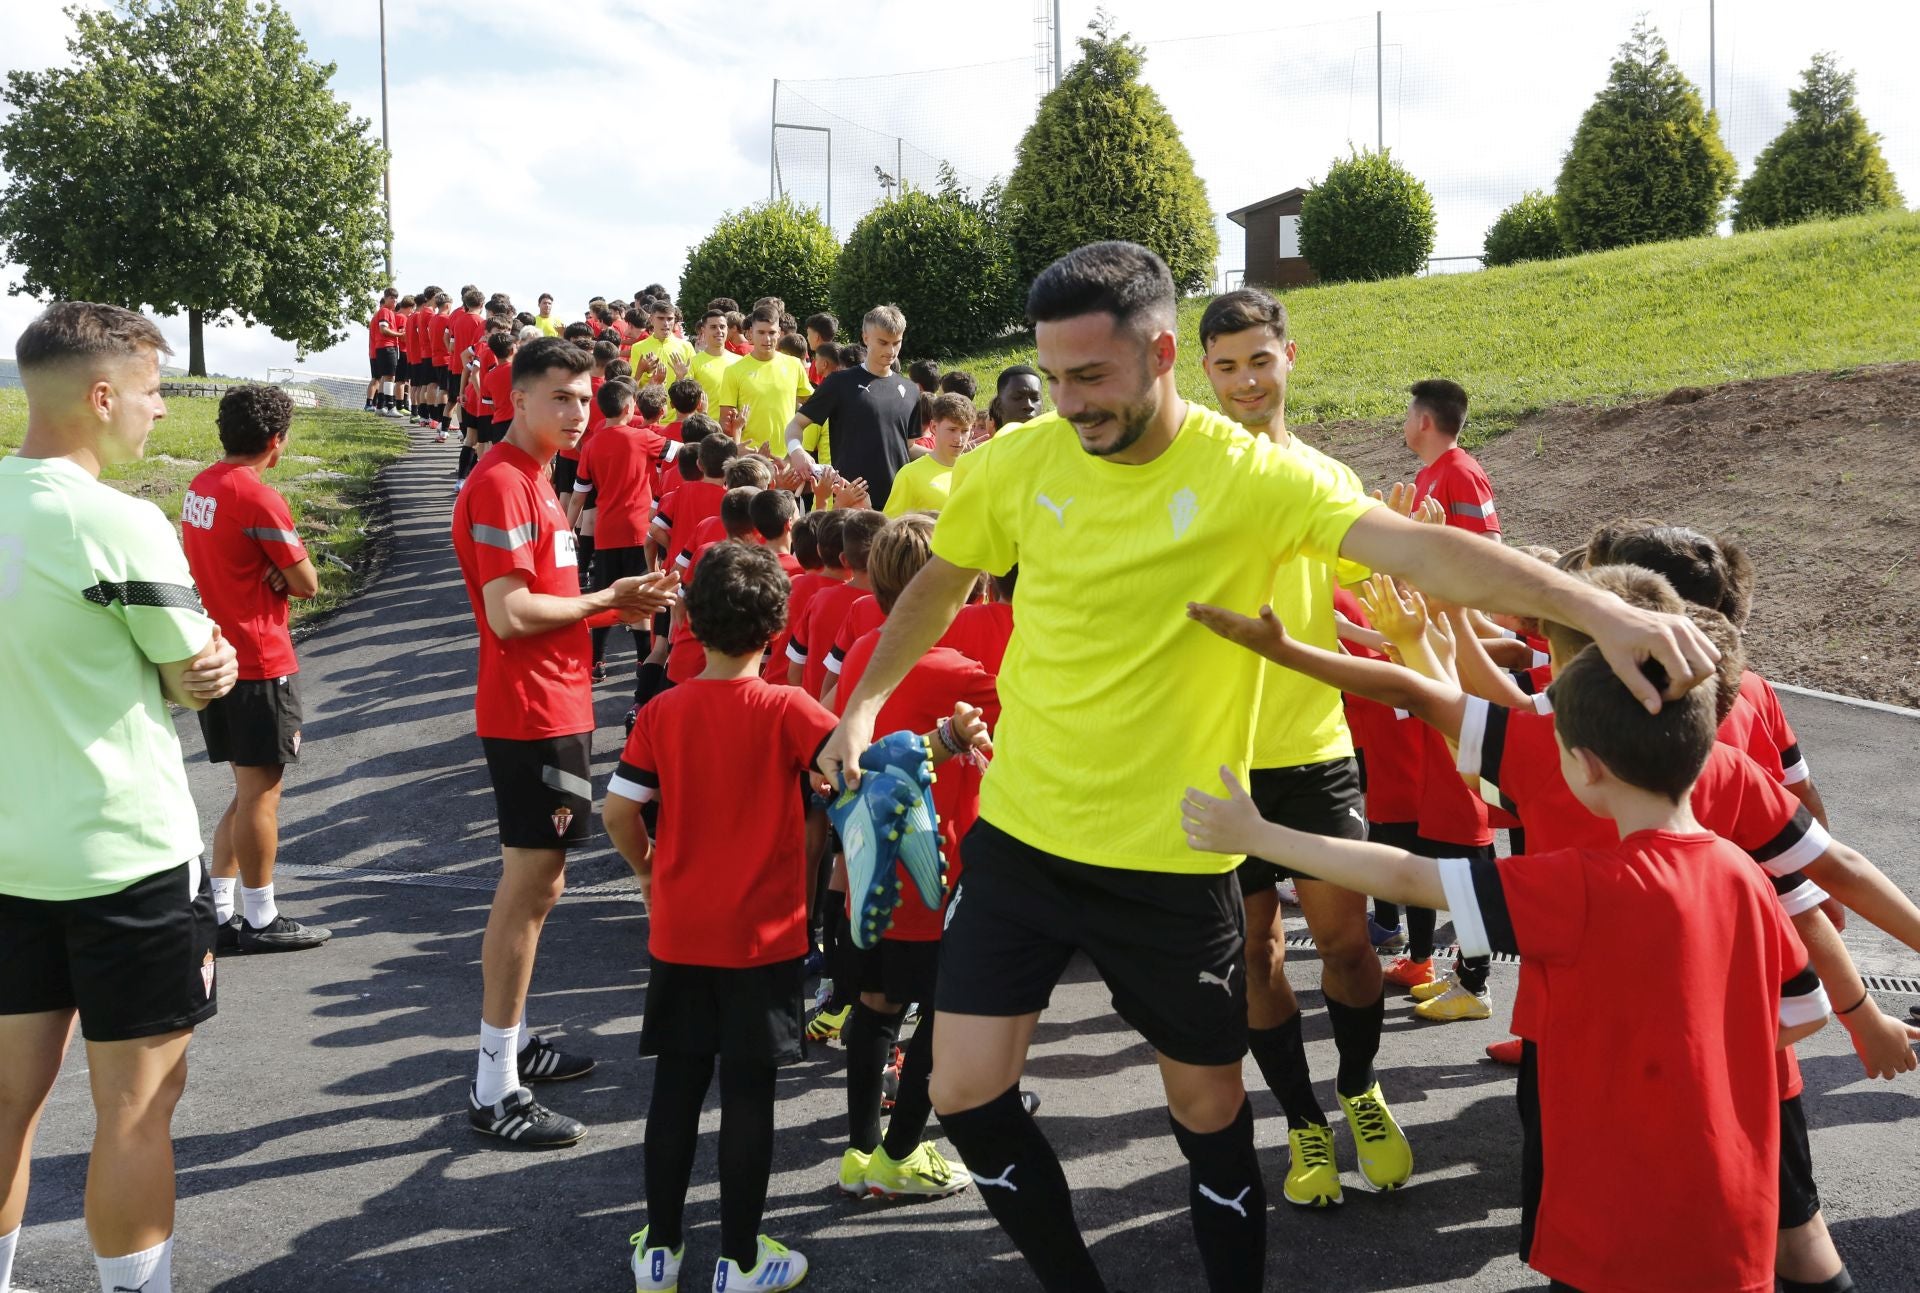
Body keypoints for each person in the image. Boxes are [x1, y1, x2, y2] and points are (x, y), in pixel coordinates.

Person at [816, 240, 1719, 1293]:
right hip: (1023, 836)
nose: (1068, 403)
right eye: (1054, 378)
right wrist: (866, 697)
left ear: (1160, 354)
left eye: (1092, 378)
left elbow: (1420, 551)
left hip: (1173, 854)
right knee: (967, 1093)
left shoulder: (1250, 476)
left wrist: (1597, 605)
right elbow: (938, 581)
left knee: (1206, 1111)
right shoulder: (1017, 462)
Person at [1180, 645, 1831, 1293]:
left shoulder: (1574, 887)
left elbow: (1409, 875)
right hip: (1734, 1219)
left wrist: (1260, 836)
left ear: (1586, 764)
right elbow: (1806, 1008)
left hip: (1613, 1222)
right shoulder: (1744, 875)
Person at [1, 301, 241, 1293]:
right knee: (137, 1108)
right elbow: (196, 665)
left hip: (10, 858)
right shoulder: (117, 519)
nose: (155, 412)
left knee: (8, 1102)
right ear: (101, 397)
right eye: (148, 392)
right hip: (126, 857)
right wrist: (202, 666)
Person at [1195, 288, 1407, 1207]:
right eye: (1227, 364)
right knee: (1258, 954)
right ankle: (1302, 1120)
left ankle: (1359, 1087)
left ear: (1290, 358)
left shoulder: (1327, 476)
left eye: (1259, 359)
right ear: (1202, 370)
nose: (1245, 380)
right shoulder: (1185, 479)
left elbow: (1380, 574)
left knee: (1348, 943)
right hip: (1215, 756)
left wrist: (1414, 565)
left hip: (1316, 747)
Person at [450, 336, 677, 1147]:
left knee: (538, 888)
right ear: (518, 398)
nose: (577, 411)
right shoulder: (504, 484)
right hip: (529, 711)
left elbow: (543, 599)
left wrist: (616, 605)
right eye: (561, 397)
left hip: (556, 703)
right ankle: (494, 1082)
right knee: (532, 888)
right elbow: (510, 613)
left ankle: (508, 1047)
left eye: (585, 397)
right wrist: (602, 601)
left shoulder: (538, 479)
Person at [603, 542, 839, 1293]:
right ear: (775, 627)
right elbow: (847, 769)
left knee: (676, 1087)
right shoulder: (790, 708)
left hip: (682, 927)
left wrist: (645, 869)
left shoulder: (664, 710)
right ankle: (740, 1258)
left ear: (691, 623)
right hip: (764, 935)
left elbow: (619, 809)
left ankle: (661, 1251)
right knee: (749, 1094)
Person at [831, 514, 996, 1201]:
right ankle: (902, 1152)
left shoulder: (865, 648)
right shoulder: (966, 674)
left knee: (873, 1005)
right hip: (939, 871)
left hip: (867, 866)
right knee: (941, 1011)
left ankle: (860, 1149)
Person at [180, 384, 332, 956]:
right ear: (276, 440)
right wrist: (280, 568)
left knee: (246, 791)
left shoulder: (202, 485)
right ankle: (261, 917)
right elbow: (307, 581)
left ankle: (219, 910)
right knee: (261, 793)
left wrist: (272, 566)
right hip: (259, 659)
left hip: (217, 649)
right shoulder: (259, 498)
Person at [784, 306, 920, 512]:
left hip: (898, 503)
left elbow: (907, 447)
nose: (890, 351)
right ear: (866, 337)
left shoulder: (910, 390)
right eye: (882, 342)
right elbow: (795, 425)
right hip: (852, 502)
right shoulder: (840, 382)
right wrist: (797, 452)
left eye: (896, 343)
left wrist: (947, 453)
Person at [1406, 379, 1499, 537]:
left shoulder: (1462, 473)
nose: (1405, 425)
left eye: (1408, 417)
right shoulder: (1423, 476)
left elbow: (1490, 544)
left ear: (1424, 422)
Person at [718, 306, 812, 455]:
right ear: (750, 333)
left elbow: (814, 404)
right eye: (761, 332)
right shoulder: (733, 371)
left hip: (788, 458)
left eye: (772, 332)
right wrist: (737, 448)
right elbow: (725, 421)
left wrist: (799, 444)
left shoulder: (794, 365)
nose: (767, 339)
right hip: (751, 460)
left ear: (780, 333)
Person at [883, 392, 971, 517]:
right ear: (934, 427)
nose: (959, 438)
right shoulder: (910, 474)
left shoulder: (977, 471)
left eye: (964, 431)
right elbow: (891, 527)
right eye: (952, 430)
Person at [366, 287, 404, 415]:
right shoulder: (385, 311)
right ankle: (391, 406)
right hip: (387, 347)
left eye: (395, 298)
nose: (394, 301)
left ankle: (380, 406)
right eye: (391, 298)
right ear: (385, 298)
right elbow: (383, 329)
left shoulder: (387, 312)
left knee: (385, 377)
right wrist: (399, 335)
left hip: (383, 347)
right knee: (390, 377)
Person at [989, 364, 1044, 432]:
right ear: (998, 405)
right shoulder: (993, 443)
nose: (1028, 405)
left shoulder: (1057, 441)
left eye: (1035, 398)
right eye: (1018, 397)